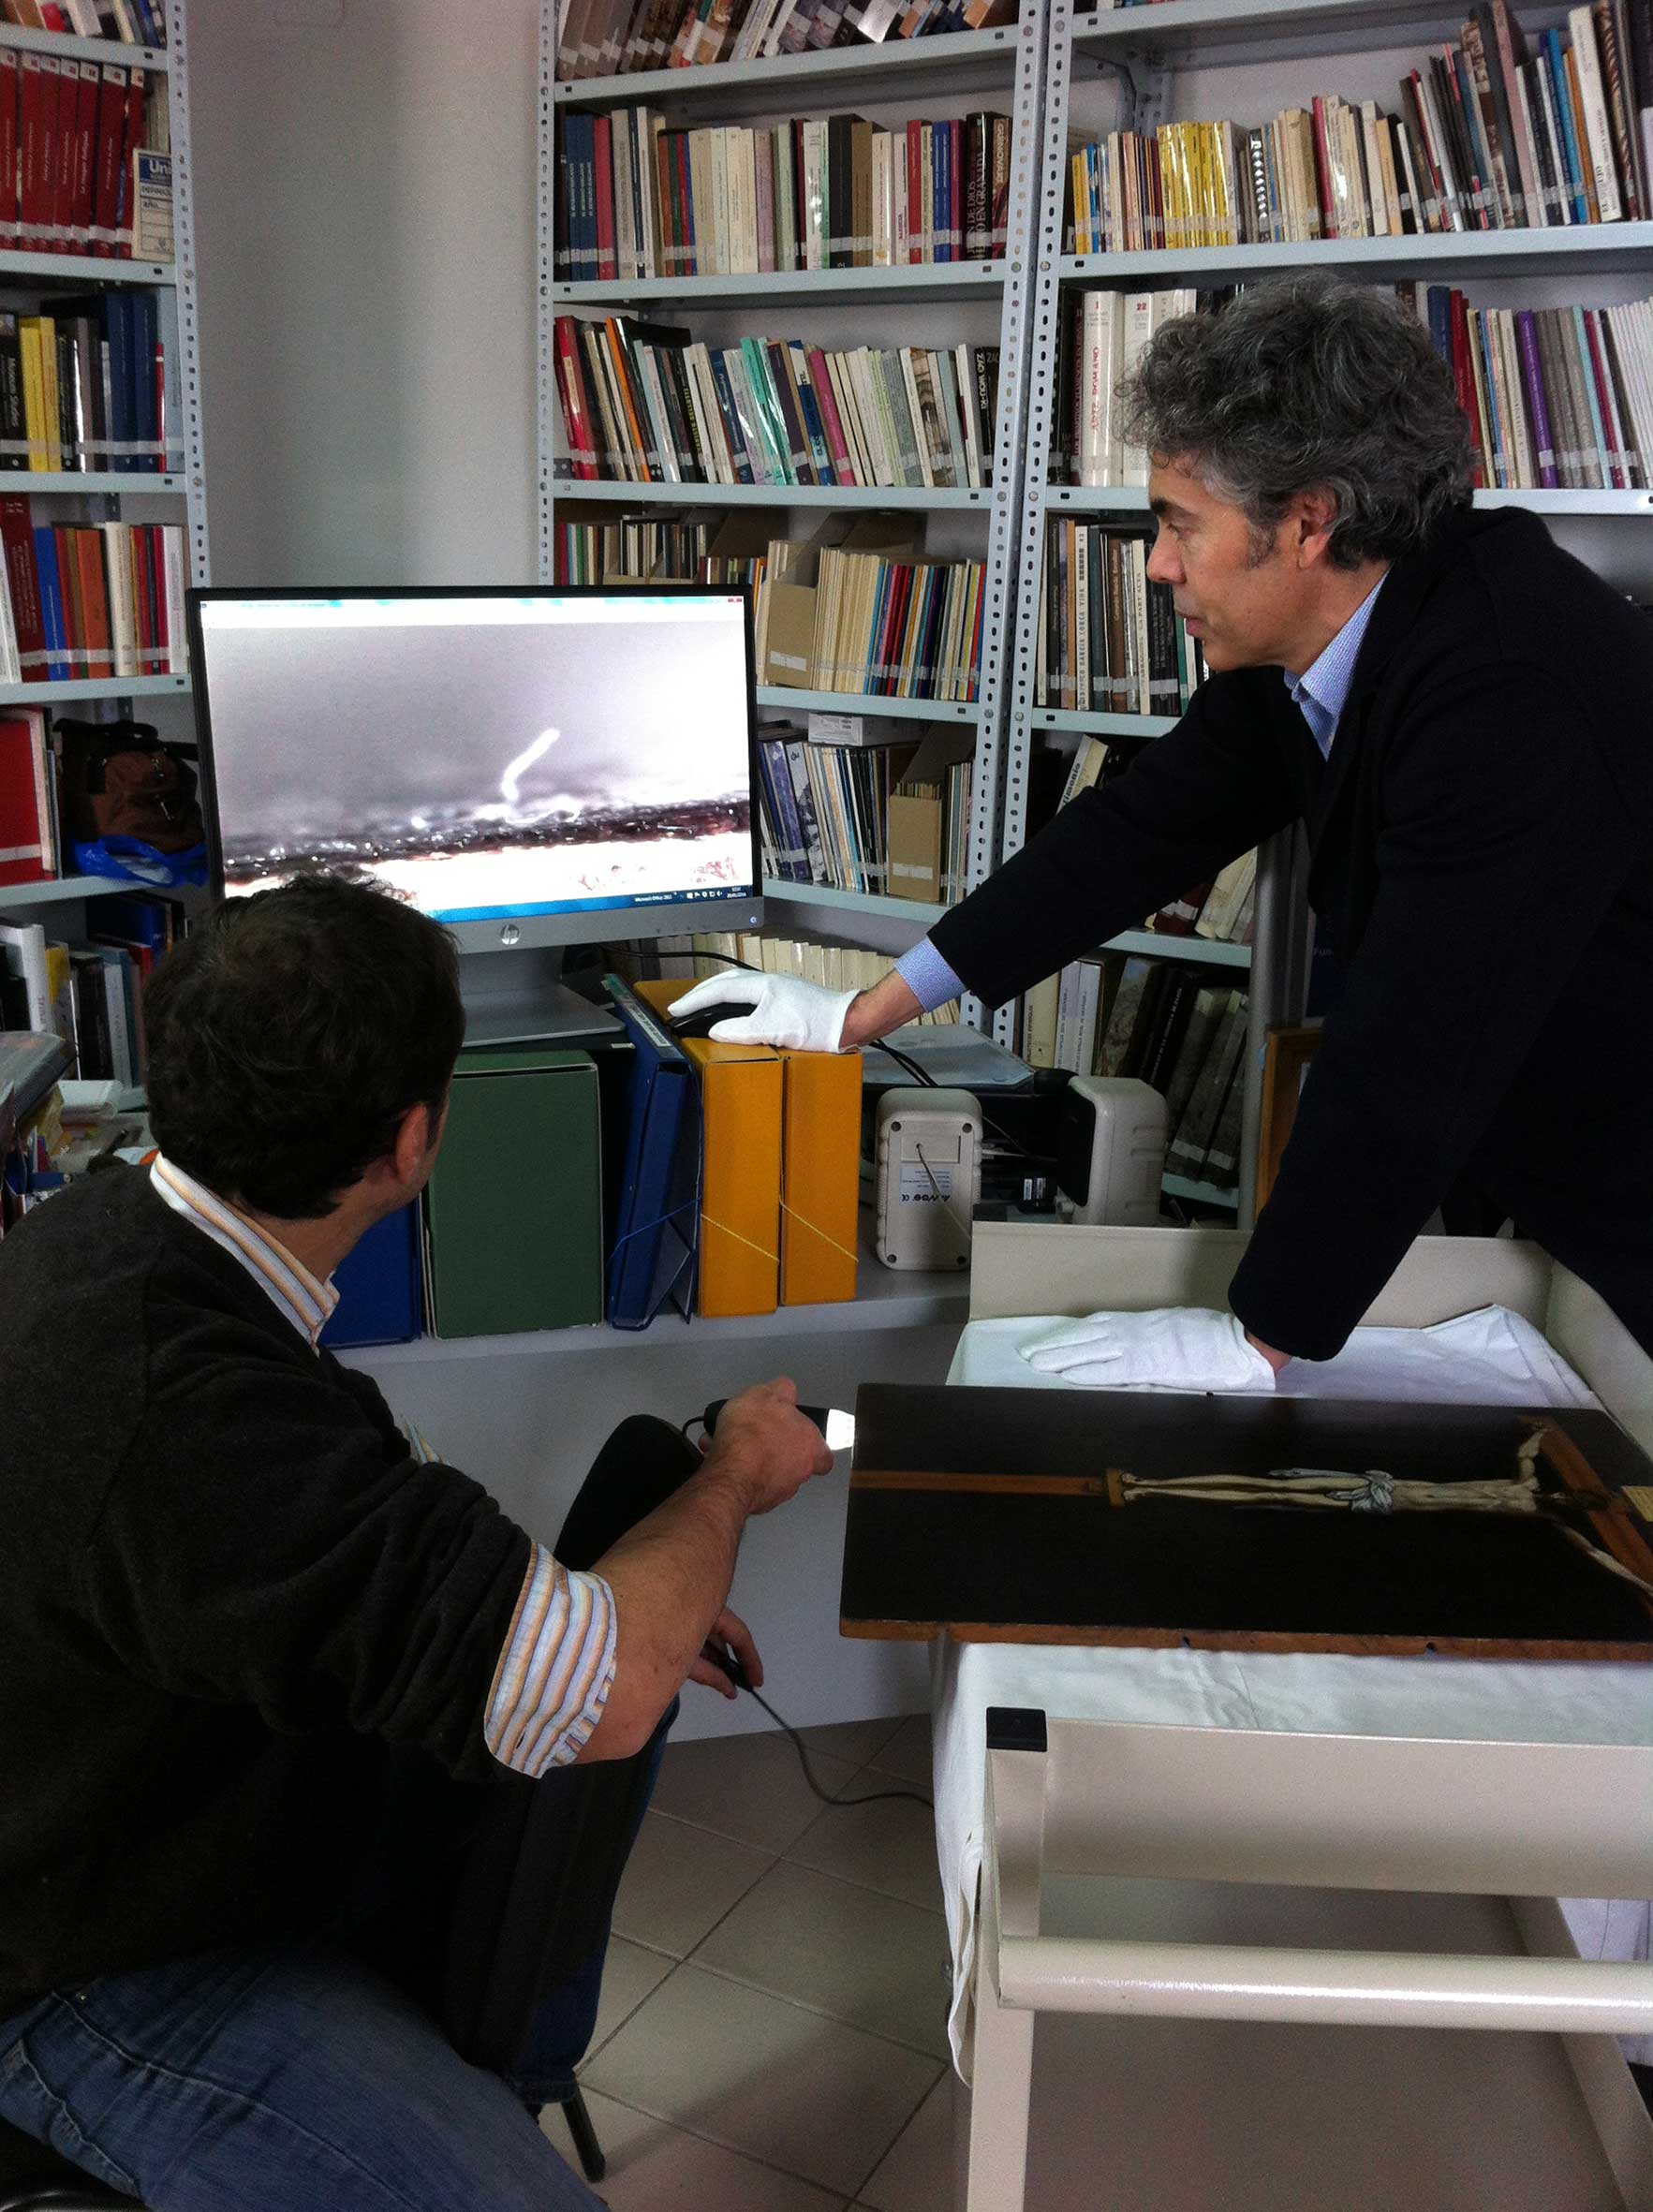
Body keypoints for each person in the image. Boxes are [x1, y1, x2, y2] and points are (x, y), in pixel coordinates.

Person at [0, 873, 834, 2211]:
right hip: (99, 1963)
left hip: (188, 1832)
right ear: (410, 1141)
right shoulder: (188, 1410)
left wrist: (593, 1618)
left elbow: (328, 1547)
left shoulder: (122, 1231)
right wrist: (736, 1470)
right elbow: (607, 1691)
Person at [675, 274, 1653, 1383]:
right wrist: (864, 1010)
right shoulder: (1331, 622)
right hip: (1530, 1177)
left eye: (1181, 524)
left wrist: (1256, 1337)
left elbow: (1411, 1044)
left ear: (1307, 522)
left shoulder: (1507, 686)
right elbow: (1134, 831)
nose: (1156, 564)